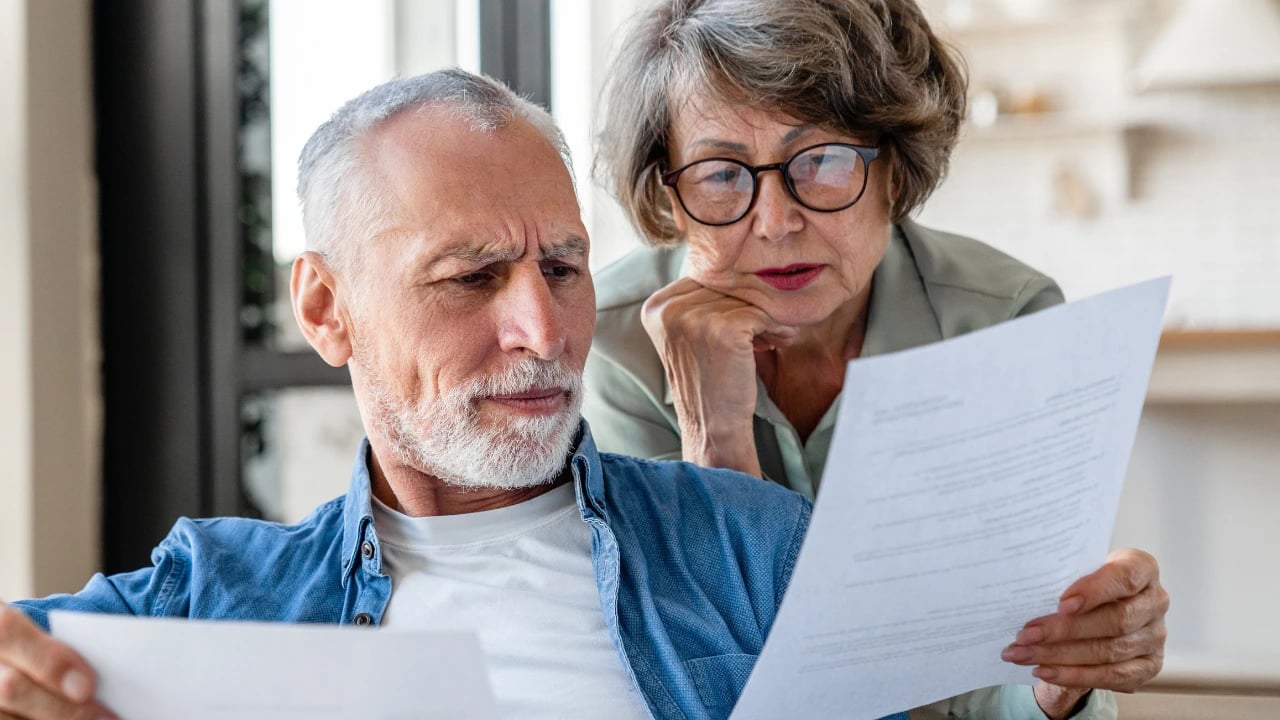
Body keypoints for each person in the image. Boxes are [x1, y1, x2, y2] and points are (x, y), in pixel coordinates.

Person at [0, 68, 898, 720]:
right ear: (326, 307)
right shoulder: (208, 595)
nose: (545, 335)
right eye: (471, 278)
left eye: (563, 267)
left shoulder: (756, 547)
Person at [583, 0, 1167, 717]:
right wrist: (718, 444)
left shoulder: (1001, 324)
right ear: (667, 194)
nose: (774, 222)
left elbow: (996, 684)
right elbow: (687, 682)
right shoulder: (609, 346)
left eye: (822, 160)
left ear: (895, 166)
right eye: (721, 175)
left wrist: (1061, 679)